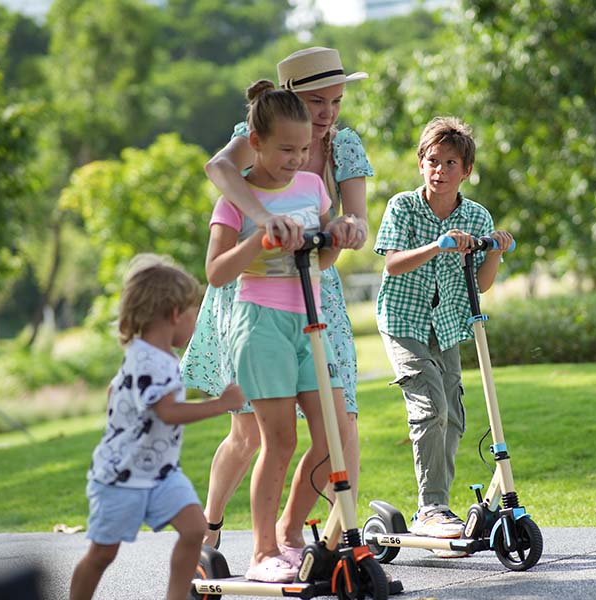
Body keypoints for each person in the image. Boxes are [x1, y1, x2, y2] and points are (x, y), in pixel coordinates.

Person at [180, 46, 372, 552]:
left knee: (339, 423)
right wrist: (262, 224)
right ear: (288, 99)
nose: (328, 113)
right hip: (253, 300)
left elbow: (352, 220)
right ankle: (214, 525)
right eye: (316, 101)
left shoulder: (337, 151)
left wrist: (344, 232)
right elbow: (221, 176)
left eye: (336, 100)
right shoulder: (256, 137)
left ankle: (311, 538)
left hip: (312, 288)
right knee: (253, 435)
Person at [201, 79, 351, 583]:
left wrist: (342, 235)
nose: (296, 158)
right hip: (259, 323)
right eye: (286, 149)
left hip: (311, 320)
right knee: (280, 441)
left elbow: (324, 256)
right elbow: (217, 272)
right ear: (256, 142)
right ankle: (262, 551)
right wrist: (258, 242)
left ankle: (290, 532)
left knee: (333, 434)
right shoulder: (237, 198)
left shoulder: (312, 186)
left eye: (304, 149)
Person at [69, 254, 245, 600]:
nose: (197, 321)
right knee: (102, 554)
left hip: (161, 473)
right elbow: (167, 412)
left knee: (195, 530)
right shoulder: (150, 360)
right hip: (122, 477)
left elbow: (115, 391)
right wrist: (220, 405)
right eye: (194, 313)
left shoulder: (151, 356)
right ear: (175, 313)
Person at [373, 116, 514, 540]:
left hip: (448, 324)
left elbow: (483, 283)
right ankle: (430, 507)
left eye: (450, 163)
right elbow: (393, 263)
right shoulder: (403, 206)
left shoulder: (476, 214)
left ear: (465, 170)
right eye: (432, 161)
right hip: (403, 318)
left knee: (452, 414)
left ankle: (438, 506)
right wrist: (439, 243)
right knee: (429, 406)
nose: (440, 170)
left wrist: (495, 248)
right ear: (421, 164)